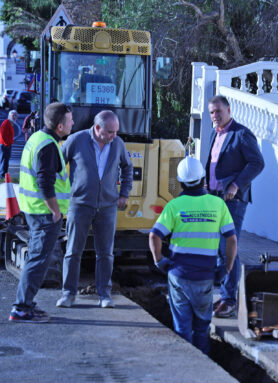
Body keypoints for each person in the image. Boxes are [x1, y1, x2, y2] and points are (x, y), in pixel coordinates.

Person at [149, 156, 237, 354]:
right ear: (203, 179)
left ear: (180, 182)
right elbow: (232, 240)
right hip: (205, 278)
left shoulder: (174, 206)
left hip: (178, 276)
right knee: (202, 329)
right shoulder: (218, 205)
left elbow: (154, 235)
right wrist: (227, 268)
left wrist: (159, 261)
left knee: (182, 329)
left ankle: (184, 368)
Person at [56, 110, 132, 309]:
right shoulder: (76, 140)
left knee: (106, 253)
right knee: (73, 251)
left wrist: (124, 193)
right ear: (97, 128)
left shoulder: (118, 144)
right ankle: (68, 294)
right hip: (79, 205)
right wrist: (63, 193)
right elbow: (57, 165)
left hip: (107, 207)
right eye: (109, 132)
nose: (113, 136)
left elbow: (127, 167)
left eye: (116, 131)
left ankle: (104, 294)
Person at [9, 103, 73, 322]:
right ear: (61, 125)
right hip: (44, 213)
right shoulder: (48, 146)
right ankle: (22, 308)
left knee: (38, 258)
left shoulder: (37, 138)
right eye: (70, 120)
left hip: (33, 209)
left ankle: (26, 303)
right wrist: (55, 211)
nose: (73, 123)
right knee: (38, 259)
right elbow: (45, 182)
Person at [204, 95, 264, 318]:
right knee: (219, 248)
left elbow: (257, 163)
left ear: (229, 110)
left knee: (228, 247)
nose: (215, 116)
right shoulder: (214, 133)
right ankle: (226, 295)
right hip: (214, 197)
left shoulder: (241, 133)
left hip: (232, 200)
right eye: (212, 112)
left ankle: (231, 300)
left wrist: (236, 185)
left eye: (219, 111)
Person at [0, 110, 18, 179]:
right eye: (12, 115)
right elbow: (2, 134)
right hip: (5, 145)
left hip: (7, 144)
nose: (14, 117)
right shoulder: (6, 123)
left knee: (6, 160)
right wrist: (6, 144)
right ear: (9, 116)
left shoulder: (10, 123)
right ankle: (2, 175)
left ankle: (4, 174)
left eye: (15, 115)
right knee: (4, 160)